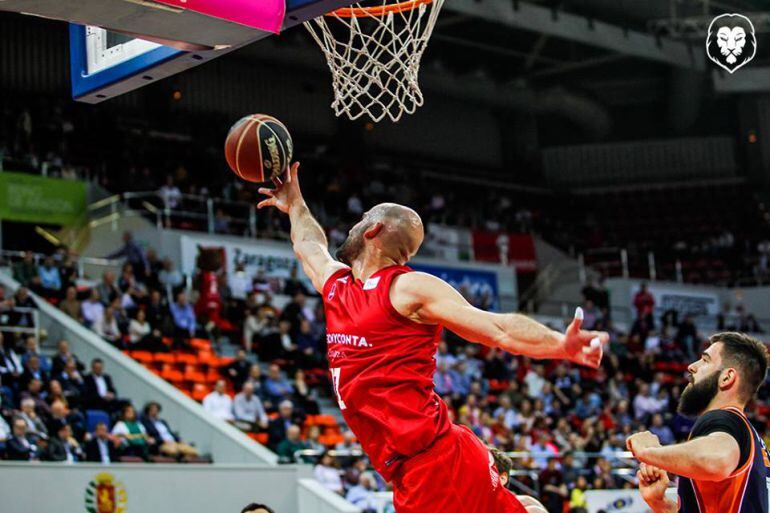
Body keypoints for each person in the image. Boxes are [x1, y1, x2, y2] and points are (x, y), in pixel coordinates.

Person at [257, 163, 605, 513]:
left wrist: (560, 344)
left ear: (373, 229)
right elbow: (309, 246)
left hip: (433, 464)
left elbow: (495, 328)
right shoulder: (339, 285)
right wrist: (295, 202)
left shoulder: (406, 287)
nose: (353, 223)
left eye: (361, 217)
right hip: (417, 467)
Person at [628, 332, 770, 513]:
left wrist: (648, 451)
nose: (692, 366)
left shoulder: (725, 420)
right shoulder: (751, 438)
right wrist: (660, 503)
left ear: (727, 377)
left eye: (705, 360)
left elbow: (717, 460)